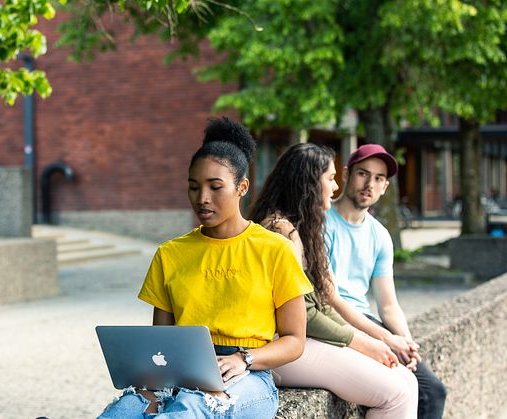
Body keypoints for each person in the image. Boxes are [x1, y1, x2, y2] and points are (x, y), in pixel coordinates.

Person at [98, 117, 314, 418]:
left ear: (242, 187)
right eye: (193, 187)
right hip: (179, 374)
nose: (202, 199)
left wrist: (244, 359)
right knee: (126, 409)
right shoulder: (170, 254)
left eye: (215, 187)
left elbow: (294, 341)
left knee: (191, 409)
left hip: (248, 376)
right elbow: (161, 342)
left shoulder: (275, 249)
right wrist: (150, 384)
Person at [249, 143, 418, 419]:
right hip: (276, 348)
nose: (335, 188)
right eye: (330, 179)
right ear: (309, 183)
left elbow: (323, 302)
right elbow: (303, 313)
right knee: (395, 392)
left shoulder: (303, 228)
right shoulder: (280, 231)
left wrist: (372, 340)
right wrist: (362, 343)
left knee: (407, 380)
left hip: (299, 342)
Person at [325, 143, 447, 419]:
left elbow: (388, 305)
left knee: (432, 390)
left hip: (367, 321)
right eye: (363, 174)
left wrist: (407, 342)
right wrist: (387, 338)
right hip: (336, 321)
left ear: (385, 187)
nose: (369, 184)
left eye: (379, 178)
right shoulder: (322, 223)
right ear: (346, 174)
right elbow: (327, 301)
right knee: (396, 388)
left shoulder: (380, 236)